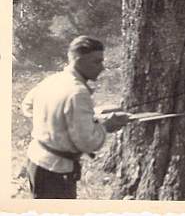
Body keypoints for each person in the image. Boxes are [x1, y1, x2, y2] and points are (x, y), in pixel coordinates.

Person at [21, 36, 130, 199]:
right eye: (97, 62)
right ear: (79, 60)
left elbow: (28, 106)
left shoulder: (53, 79)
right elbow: (88, 142)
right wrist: (106, 126)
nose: (102, 68)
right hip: (55, 172)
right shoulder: (78, 92)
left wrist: (58, 122)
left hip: (36, 161)